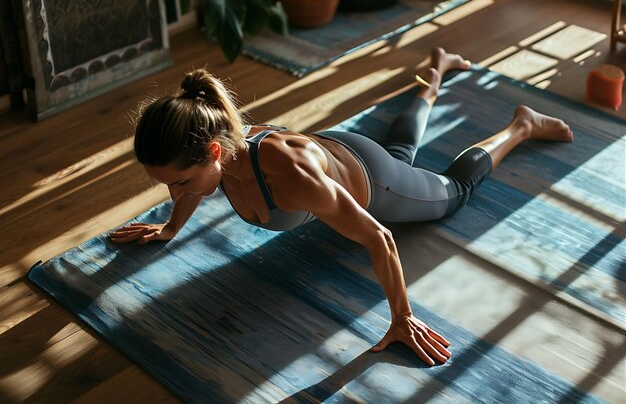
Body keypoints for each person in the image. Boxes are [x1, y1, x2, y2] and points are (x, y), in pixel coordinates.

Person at [110, 47, 574, 366]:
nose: (177, 193)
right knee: (399, 150)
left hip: (377, 184)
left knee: (451, 191)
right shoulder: (216, 147)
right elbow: (193, 186)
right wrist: (169, 228)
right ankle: (432, 79)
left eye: (180, 182)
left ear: (214, 152)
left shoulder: (289, 177)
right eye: (168, 185)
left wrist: (402, 317)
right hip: (335, 151)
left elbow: (379, 236)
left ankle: (521, 126)